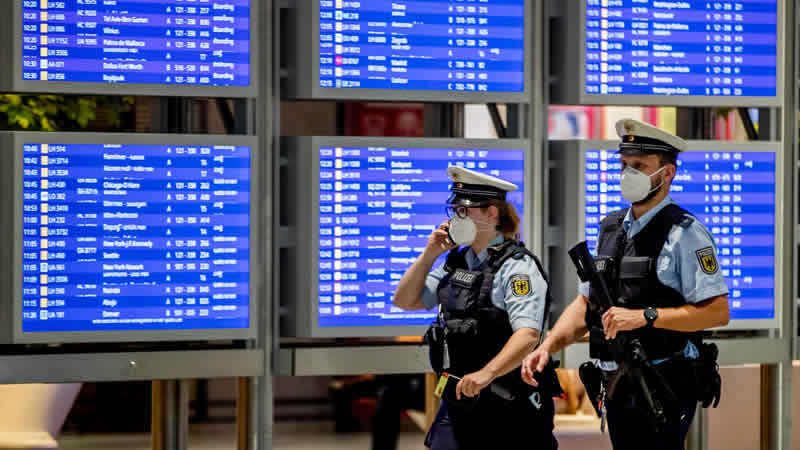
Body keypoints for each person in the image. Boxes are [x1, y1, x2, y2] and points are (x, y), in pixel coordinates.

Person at [521, 119, 730, 450]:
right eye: (624, 165)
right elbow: (584, 305)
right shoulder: (611, 228)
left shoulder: (685, 234)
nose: (627, 174)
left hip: (663, 382)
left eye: (639, 166)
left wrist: (646, 316)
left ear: (667, 173)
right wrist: (547, 347)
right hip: (617, 383)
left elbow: (717, 312)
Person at [393, 166, 559, 450]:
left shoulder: (518, 267)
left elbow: (527, 336)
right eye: (455, 210)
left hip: (508, 406)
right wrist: (429, 254)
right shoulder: (455, 261)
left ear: (492, 213)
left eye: (464, 210)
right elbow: (405, 300)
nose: (456, 218)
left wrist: (486, 374)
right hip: (459, 401)